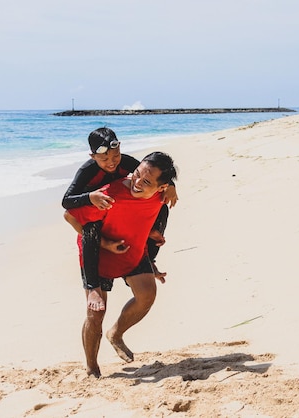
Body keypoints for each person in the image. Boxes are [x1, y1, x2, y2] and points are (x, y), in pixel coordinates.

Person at [65, 151, 178, 377]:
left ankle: (116, 334)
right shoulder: (109, 194)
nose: (136, 182)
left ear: (162, 187)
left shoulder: (161, 199)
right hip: (99, 253)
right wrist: (105, 243)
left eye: (146, 182)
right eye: (136, 174)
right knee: (95, 314)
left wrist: (151, 259)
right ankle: (92, 367)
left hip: (131, 250)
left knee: (147, 295)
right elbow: (70, 215)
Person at [62, 127, 178, 275]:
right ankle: (93, 284)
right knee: (92, 227)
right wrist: (90, 197)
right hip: (95, 212)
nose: (111, 163)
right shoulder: (87, 171)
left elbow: (152, 174)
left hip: (118, 207)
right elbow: (66, 201)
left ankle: (150, 260)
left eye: (115, 156)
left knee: (162, 208)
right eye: (104, 159)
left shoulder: (125, 162)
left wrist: (171, 186)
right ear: (93, 156)